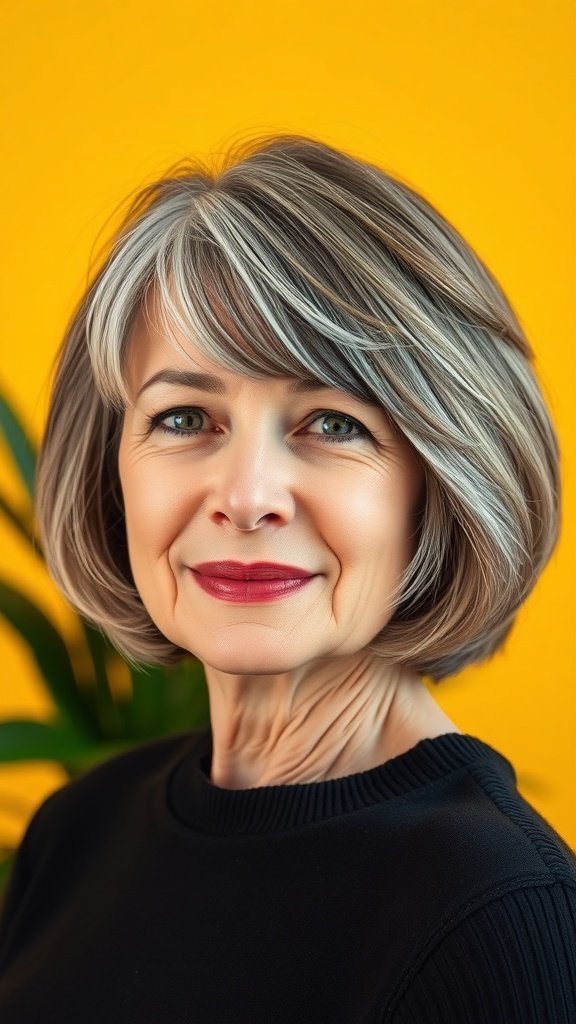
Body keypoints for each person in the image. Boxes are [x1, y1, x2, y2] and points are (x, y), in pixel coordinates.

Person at [0, 134, 574, 1023]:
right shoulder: (77, 836)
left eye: (333, 423)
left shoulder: (497, 917)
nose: (246, 496)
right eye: (185, 416)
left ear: (442, 482)